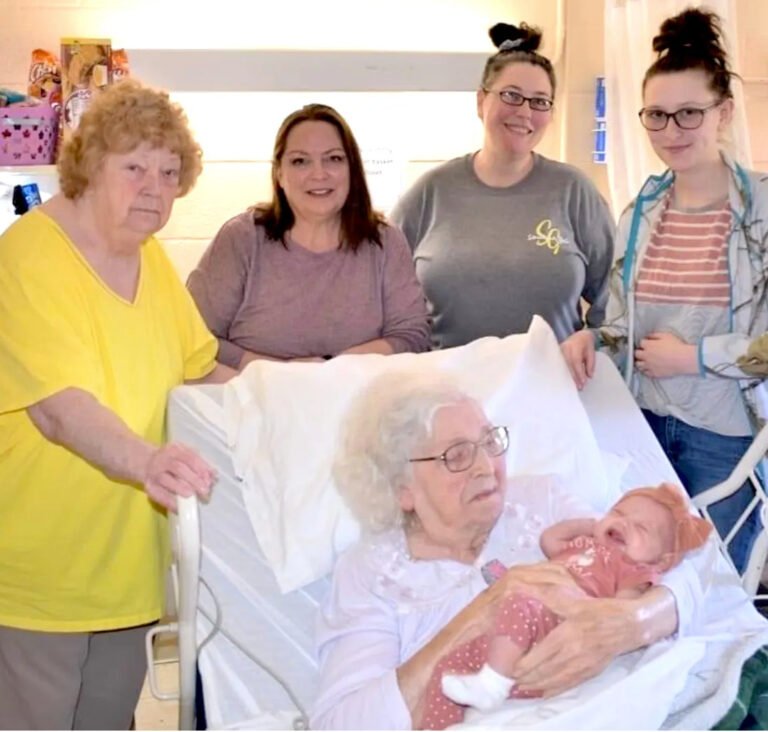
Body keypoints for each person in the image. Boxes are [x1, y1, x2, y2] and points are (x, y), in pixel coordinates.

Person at [0, 80, 234, 730]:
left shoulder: (150, 259)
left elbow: (204, 369)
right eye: (134, 167)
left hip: (126, 577)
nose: (154, 187)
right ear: (88, 164)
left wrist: (294, 392)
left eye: (168, 172)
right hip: (38, 581)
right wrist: (147, 461)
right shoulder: (28, 256)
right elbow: (58, 409)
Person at [310, 373, 707, 730]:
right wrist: (482, 611)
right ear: (403, 489)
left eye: (489, 442)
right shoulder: (370, 574)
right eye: (457, 456)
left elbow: (679, 567)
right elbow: (341, 724)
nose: (487, 466)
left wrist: (634, 620)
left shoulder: (541, 500)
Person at [560, 8, 768, 574]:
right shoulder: (640, 212)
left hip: (723, 434)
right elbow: (625, 325)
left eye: (688, 114)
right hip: (643, 424)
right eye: (656, 116)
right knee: (643, 579)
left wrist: (692, 357)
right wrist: (593, 338)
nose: (671, 132)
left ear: (723, 113)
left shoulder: (761, 214)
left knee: (719, 582)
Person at [390, 22, 615, 349]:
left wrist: (592, 344)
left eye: (540, 101)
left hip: (552, 389)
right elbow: (382, 301)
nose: (524, 112)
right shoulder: (428, 194)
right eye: (511, 95)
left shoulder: (574, 192)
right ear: (481, 101)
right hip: (449, 391)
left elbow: (616, 298)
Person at [422, 483, 711, 729]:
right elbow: (549, 539)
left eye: (640, 528)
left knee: (519, 601)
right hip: (514, 630)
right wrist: (591, 525)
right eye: (618, 514)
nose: (622, 523)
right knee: (449, 667)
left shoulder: (632, 570)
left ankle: (493, 683)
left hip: (554, 626)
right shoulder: (584, 544)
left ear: (660, 560)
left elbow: (613, 615)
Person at [187, 103, 430, 368]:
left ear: (353, 169)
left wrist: (333, 368)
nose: (319, 173)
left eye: (333, 158)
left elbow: (413, 337)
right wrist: (282, 374)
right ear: (279, 173)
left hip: (361, 403)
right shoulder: (241, 239)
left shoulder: (385, 241)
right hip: (257, 402)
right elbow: (193, 336)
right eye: (300, 161)